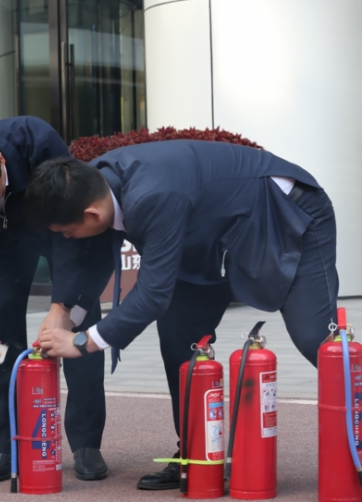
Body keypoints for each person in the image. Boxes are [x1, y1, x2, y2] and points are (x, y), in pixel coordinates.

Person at [26, 140, 338, 490]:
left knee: (317, 339)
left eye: (68, 232)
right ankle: (197, 453)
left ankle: (353, 442)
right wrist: (66, 312)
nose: (69, 239)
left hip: (285, 212)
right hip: (210, 234)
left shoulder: (153, 195)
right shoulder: (93, 182)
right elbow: (88, 257)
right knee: (179, 338)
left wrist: (83, 341)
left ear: (92, 215)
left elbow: (152, 294)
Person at [0, 117, 114, 483]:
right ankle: (3, 446)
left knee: (79, 324)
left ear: (0, 161)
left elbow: (70, 211)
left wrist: (61, 308)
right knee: (0, 340)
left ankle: (87, 443)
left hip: (60, 229)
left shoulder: (37, 141)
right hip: (2, 241)